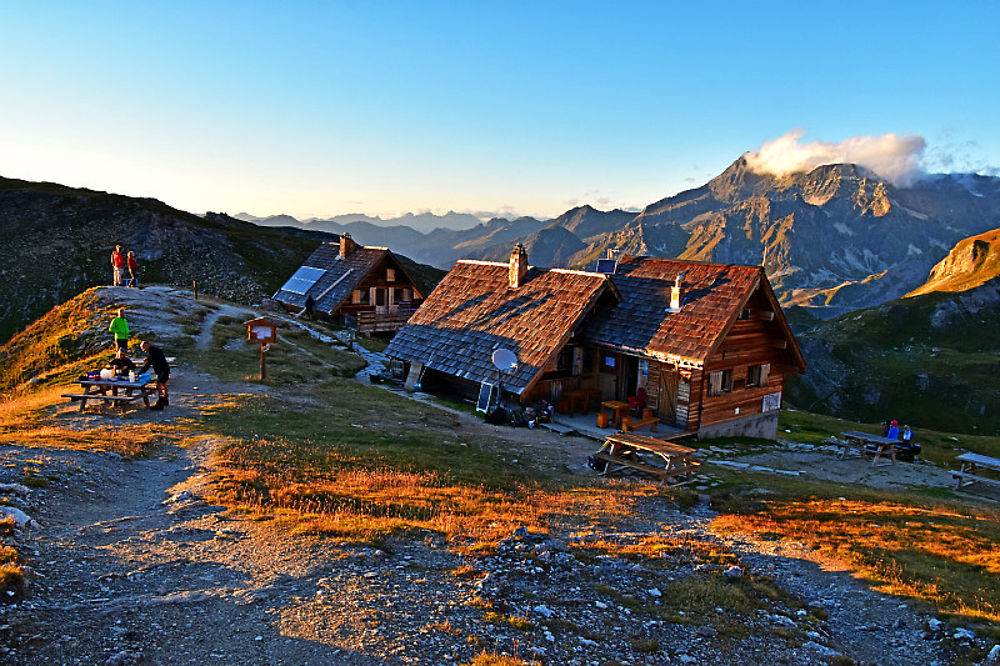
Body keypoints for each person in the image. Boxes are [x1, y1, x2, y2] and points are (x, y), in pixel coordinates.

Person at [138, 340, 170, 410]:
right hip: (165, 369)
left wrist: (139, 373)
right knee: (163, 384)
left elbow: (147, 365)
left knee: (159, 384)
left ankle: (160, 403)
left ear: (147, 345)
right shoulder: (155, 350)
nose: (143, 350)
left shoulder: (152, 352)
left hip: (162, 370)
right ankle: (165, 400)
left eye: (143, 348)